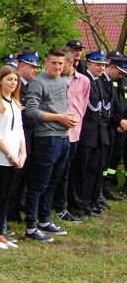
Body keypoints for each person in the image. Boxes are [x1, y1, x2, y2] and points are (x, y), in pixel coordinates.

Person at [22, 47, 76, 243]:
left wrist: (67, 119)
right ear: (46, 62)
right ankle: (31, 225)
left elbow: (61, 106)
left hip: (64, 136)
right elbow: (31, 111)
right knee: (39, 183)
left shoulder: (62, 81)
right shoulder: (38, 82)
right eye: (54, 63)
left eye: (61, 63)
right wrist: (59, 118)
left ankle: (45, 219)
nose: (58, 66)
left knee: (54, 180)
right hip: (47, 138)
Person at [0, 65, 26, 250]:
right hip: (0, 157)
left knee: (8, 195)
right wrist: (8, 153)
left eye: (15, 80)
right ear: (0, 80)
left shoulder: (15, 104)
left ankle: (0, 232)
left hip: (15, 157)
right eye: (9, 79)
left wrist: (23, 153)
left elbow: (20, 130)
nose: (13, 82)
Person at [68, 51, 111, 219]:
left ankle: (88, 202)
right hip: (86, 132)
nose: (101, 68)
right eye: (98, 64)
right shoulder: (83, 80)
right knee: (81, 171)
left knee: (94, 169)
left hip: (100, 132)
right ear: (89, 64)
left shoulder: (100, 82)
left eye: (103, 65)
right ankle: (77, 204)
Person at [53, 47, 90, 223]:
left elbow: (82, 106)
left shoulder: (83, 81)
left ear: (69, 63)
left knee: (65, 171)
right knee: (50, 170)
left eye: (63, 63)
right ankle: (48, 204)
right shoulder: (53, 80)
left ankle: (61, 205)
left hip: (73, 133)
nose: (60, 67)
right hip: (54, 131)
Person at [6, 48, 41, 223]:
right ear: (21, 65)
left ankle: (14, 209)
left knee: (22, 179)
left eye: (37, 66)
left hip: (29, 138)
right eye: (31, 66)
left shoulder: (33, 86)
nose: (35, 69)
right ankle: (7, 212)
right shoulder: (13, 85)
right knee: (12, 180)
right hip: (14, 139)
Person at [101, 52, 127, 202]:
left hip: (123, 125)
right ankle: (102, 187)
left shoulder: (122, 80)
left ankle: (108, 184)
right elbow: (112, 105)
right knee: (107, 157)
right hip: (112, 125)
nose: (121, 75)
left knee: (115, 158)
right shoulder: (108, 81)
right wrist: (119, 121)